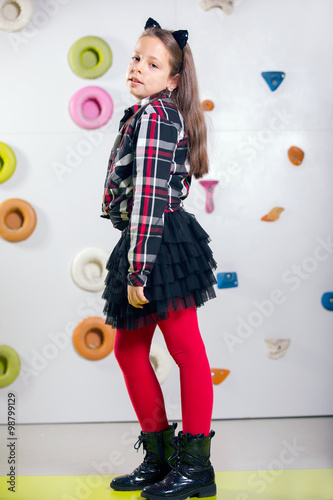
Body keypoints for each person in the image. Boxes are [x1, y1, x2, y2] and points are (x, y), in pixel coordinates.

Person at [101, 17, 217, 500]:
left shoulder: (155, 116)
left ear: (172, 80)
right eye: (135, 57)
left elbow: (149, 196)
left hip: (158, 241)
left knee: (186, 350)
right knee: (129, 350)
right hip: (143, 236)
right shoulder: (144, 113)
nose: (137, 67)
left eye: (152, 63)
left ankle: (195, 468)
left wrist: (139, 267)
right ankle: (160, 458)